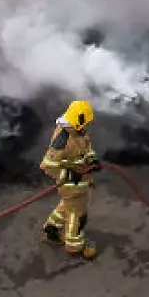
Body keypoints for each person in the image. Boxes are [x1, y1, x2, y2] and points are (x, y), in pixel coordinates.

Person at [40, 101, 100, 258]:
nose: (87, 125)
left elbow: (86, 148)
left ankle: (51, 229)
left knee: (67, 207)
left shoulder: (78, 131)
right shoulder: (62, 138)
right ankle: (75, 247)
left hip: (80, 181)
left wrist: (92, 159)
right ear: (78, 119)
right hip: (72, 184)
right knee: (78, 216)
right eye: (86, 121)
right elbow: (48, 165)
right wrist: (69, 175)